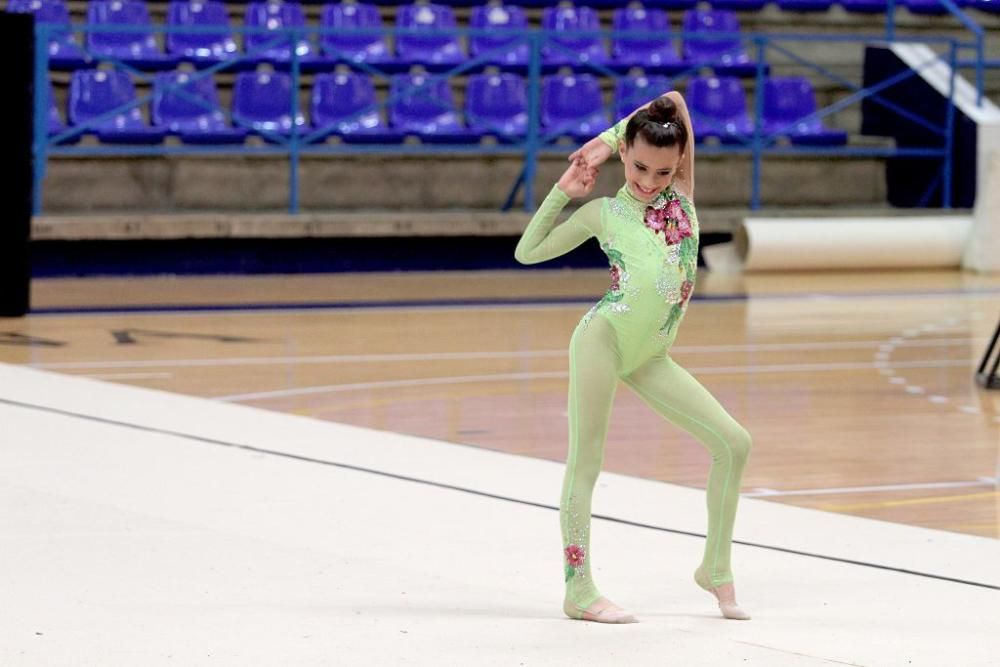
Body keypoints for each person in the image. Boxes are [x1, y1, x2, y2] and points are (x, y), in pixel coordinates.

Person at [514, 92, 753, 624]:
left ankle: (714, 569)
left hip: (652, 355)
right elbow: (526, 252)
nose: (648, 180)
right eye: (639, 165)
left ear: (680, 166)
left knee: (735, 443)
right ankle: (579, 589)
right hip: (603, 340)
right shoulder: (603, 212)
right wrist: (566, 188)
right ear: (627, 154)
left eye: (663, 172)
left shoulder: (684, 197)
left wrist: (605, 141)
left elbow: (673, 100)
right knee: (586, 463)